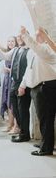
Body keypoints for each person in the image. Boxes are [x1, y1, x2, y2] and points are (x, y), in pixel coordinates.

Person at [19, 26, 56, 156]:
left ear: (46, 36)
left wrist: (25, 35)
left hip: (46, 87)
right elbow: (29, 70)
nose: (37, 37)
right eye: (36, 35)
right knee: (43, 118)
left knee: (46, 119)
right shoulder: (33, 52)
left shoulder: (47, 48)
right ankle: (45, 143)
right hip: (37, 88)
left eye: (39, 35)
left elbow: (38, 48)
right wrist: (23, 85)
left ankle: (47, 148)